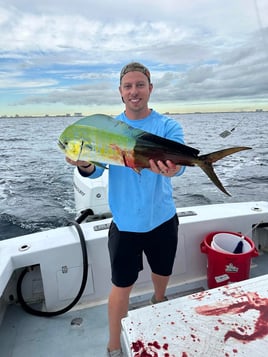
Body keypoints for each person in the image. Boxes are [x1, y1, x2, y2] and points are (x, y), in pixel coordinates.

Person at [66, 62, 185, 357]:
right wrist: (84, 163)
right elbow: (94, 171)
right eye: (128, 86)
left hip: (162, 218)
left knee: (162, 271)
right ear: (120, 92)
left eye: (140, 85)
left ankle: (158, 300)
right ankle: (113, 345)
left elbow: (179, 165)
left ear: (150, 89)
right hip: (126, 224)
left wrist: (172, 171)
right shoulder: (107, 130)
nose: (134, 91)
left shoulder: (168, 126)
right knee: (121, 285)